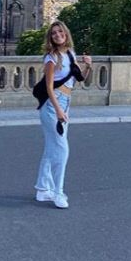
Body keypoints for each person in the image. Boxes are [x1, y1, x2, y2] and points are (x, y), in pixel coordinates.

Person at [34, 20, 92, 209]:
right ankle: (58, 192)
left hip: (65, 102)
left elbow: (79, 79)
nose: (58, 35)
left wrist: (88, 66)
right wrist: (58, 109)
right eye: (54, 33)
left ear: (66, 34)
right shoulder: (51, 58)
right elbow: (49, 87)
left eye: (60, 32)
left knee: (52, 148)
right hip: (53, 104)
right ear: (50, 38)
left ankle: (42, 189)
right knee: (61, 149)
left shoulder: (70, 53)